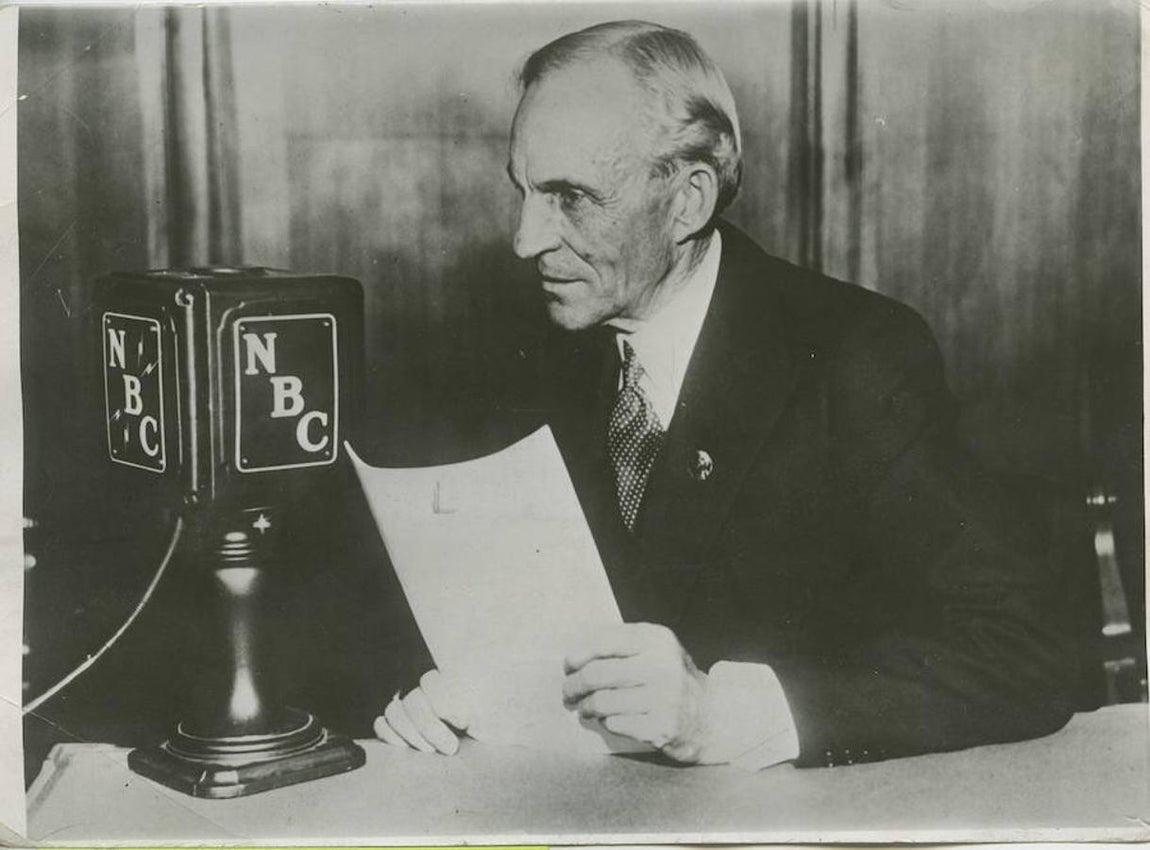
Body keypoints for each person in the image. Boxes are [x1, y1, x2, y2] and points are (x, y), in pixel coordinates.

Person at [372, 20, 1075, 768]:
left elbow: (1026, 649)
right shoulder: (527, 357)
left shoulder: (853, 356)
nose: (524, 240)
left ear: (687, 200)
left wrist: (727, 715)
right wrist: (455, 696)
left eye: (570, 198)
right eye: (524, 192)